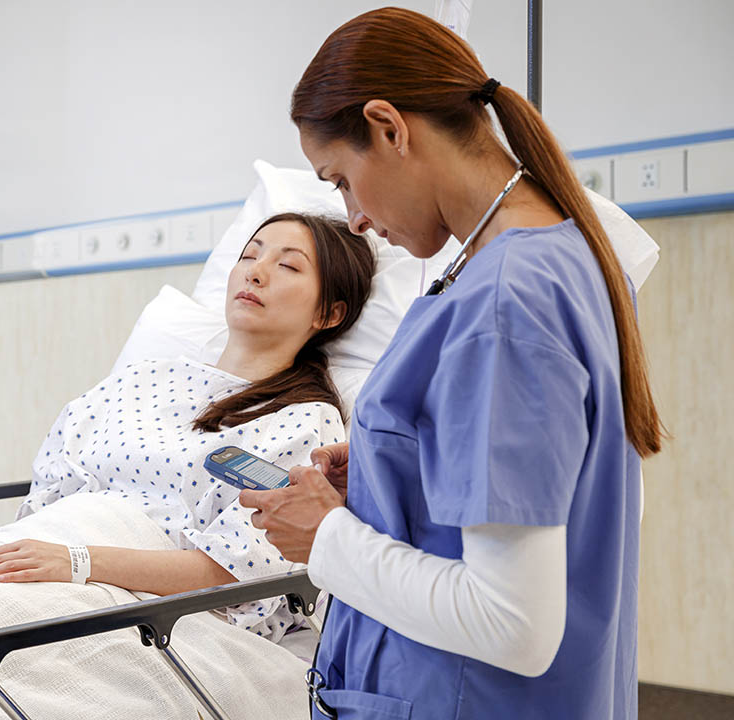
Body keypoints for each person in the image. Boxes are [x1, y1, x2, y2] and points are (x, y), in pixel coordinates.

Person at [239, 8, 664, 719]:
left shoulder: (504, 302)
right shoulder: (570, 257)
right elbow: (569, 494)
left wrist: (327, 537)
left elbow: (514, 625)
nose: (354, 219)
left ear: (388, 127)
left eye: (340, 179)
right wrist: (389, 472)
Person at [0, 212, 373, 641]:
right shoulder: (142, 378)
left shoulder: (305, 423)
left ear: (328, 313)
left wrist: (78, 562)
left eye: (287, 265)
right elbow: (50, 492)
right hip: (41, 562)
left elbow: (232, 569)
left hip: (154, 612)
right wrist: (53, 554)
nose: (256, 272)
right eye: (250, 255)